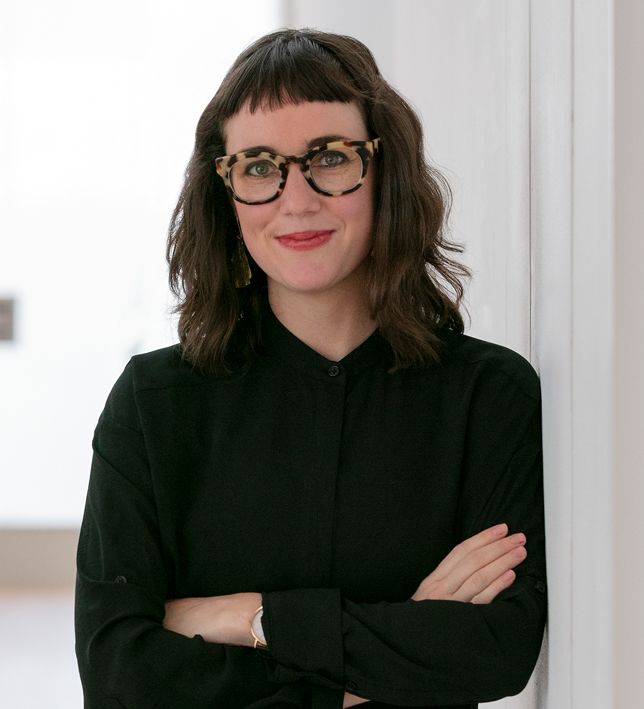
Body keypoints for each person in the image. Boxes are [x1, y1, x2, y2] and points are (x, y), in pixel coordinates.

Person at [75, 28, 546, 709]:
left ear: (386, 170)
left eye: (329, 158)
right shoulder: (152, 405)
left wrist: (249, 618)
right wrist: (392, 654)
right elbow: (120, 675)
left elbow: (497, 649)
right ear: (226, 192)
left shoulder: (489, 397)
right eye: (260, 167)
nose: (296, 200)